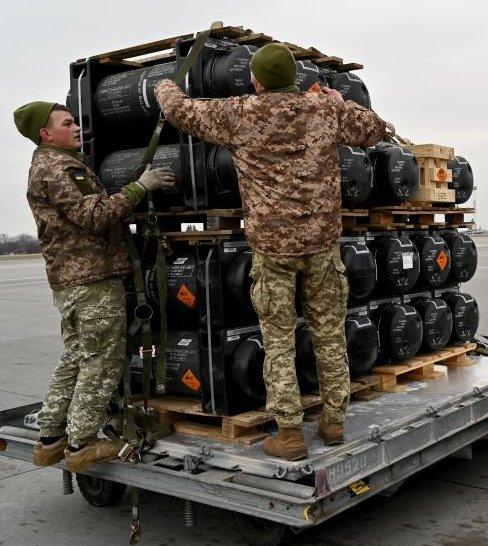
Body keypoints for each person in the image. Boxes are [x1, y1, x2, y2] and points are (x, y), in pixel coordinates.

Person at [154, 43, 389, 460]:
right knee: (330, 335)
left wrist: (165, 87)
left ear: (256, 80)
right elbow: (376, 130)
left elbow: (181, 112)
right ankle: (334, 422)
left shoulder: (240, 114)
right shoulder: (325, 112)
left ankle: (289, 433)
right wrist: (339, 100)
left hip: (273, 250)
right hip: (321, 245)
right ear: (295, 79)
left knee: (278, 340)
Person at [14, 101, 175, 473]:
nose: (76, 128)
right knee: (101, 358)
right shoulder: (61, 168)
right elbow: (94, 215)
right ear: (45, 133)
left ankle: (51, 438)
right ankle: (82, 442)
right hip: (91, 279)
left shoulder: (47, 165)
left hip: (71, 281)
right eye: (67, 123)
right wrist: (139, 188)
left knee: (73, 357)